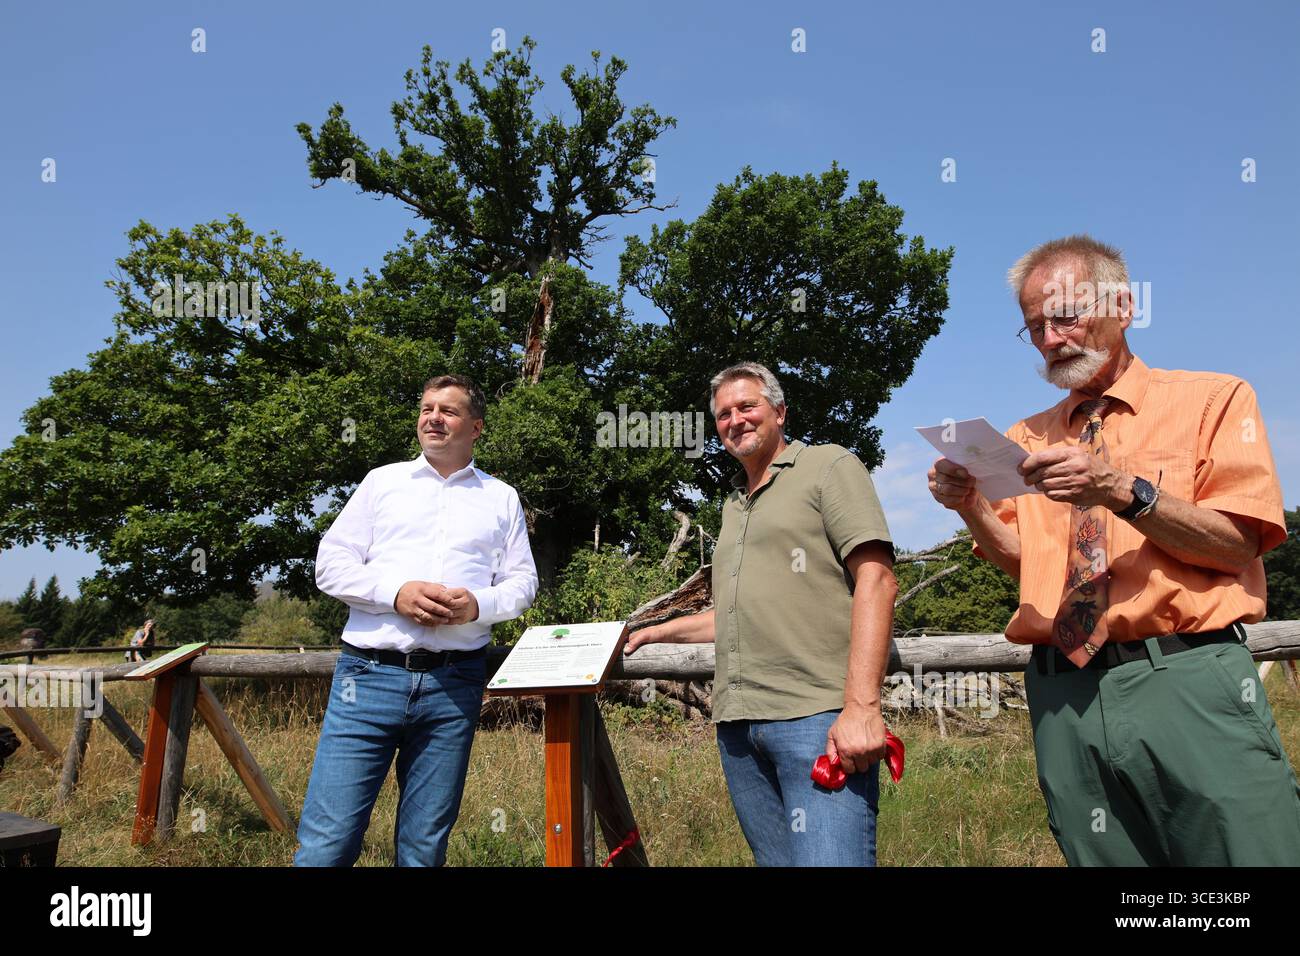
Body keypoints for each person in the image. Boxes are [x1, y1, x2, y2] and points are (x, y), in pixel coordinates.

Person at [929, 234, 1300, 865]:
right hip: (1061, 695)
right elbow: (1024, 559)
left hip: (1186, 678)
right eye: (1034, 327)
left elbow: (1237, 545)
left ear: (1123, 306)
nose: (1050, 339)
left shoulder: (1215, 400)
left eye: (1065, 316)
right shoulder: (1027, 436)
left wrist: (1120, 488)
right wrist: (969, 504)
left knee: (1250, 861)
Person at [626, 362, 897, 866]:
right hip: (738, 728)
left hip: (815, 717)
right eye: (723, 414)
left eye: (747, 406)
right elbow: (734, 615)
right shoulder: (734, 505)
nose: (735, 420)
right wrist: (655, 633)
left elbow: (877, 579)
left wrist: (862, 707)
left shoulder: (828, 466)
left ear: (779, 411)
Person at [294, 374, 538, 867]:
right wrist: (395, 593)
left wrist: (478, 606)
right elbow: (330, 565)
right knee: (329, 841)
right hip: (366, 679)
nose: (433, 417)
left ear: (477, 427)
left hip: (455, 683)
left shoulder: (502, 497)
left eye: (448, 410)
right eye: (427, 408)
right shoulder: (382, 482)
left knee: (424, 847)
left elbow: (522, 584)